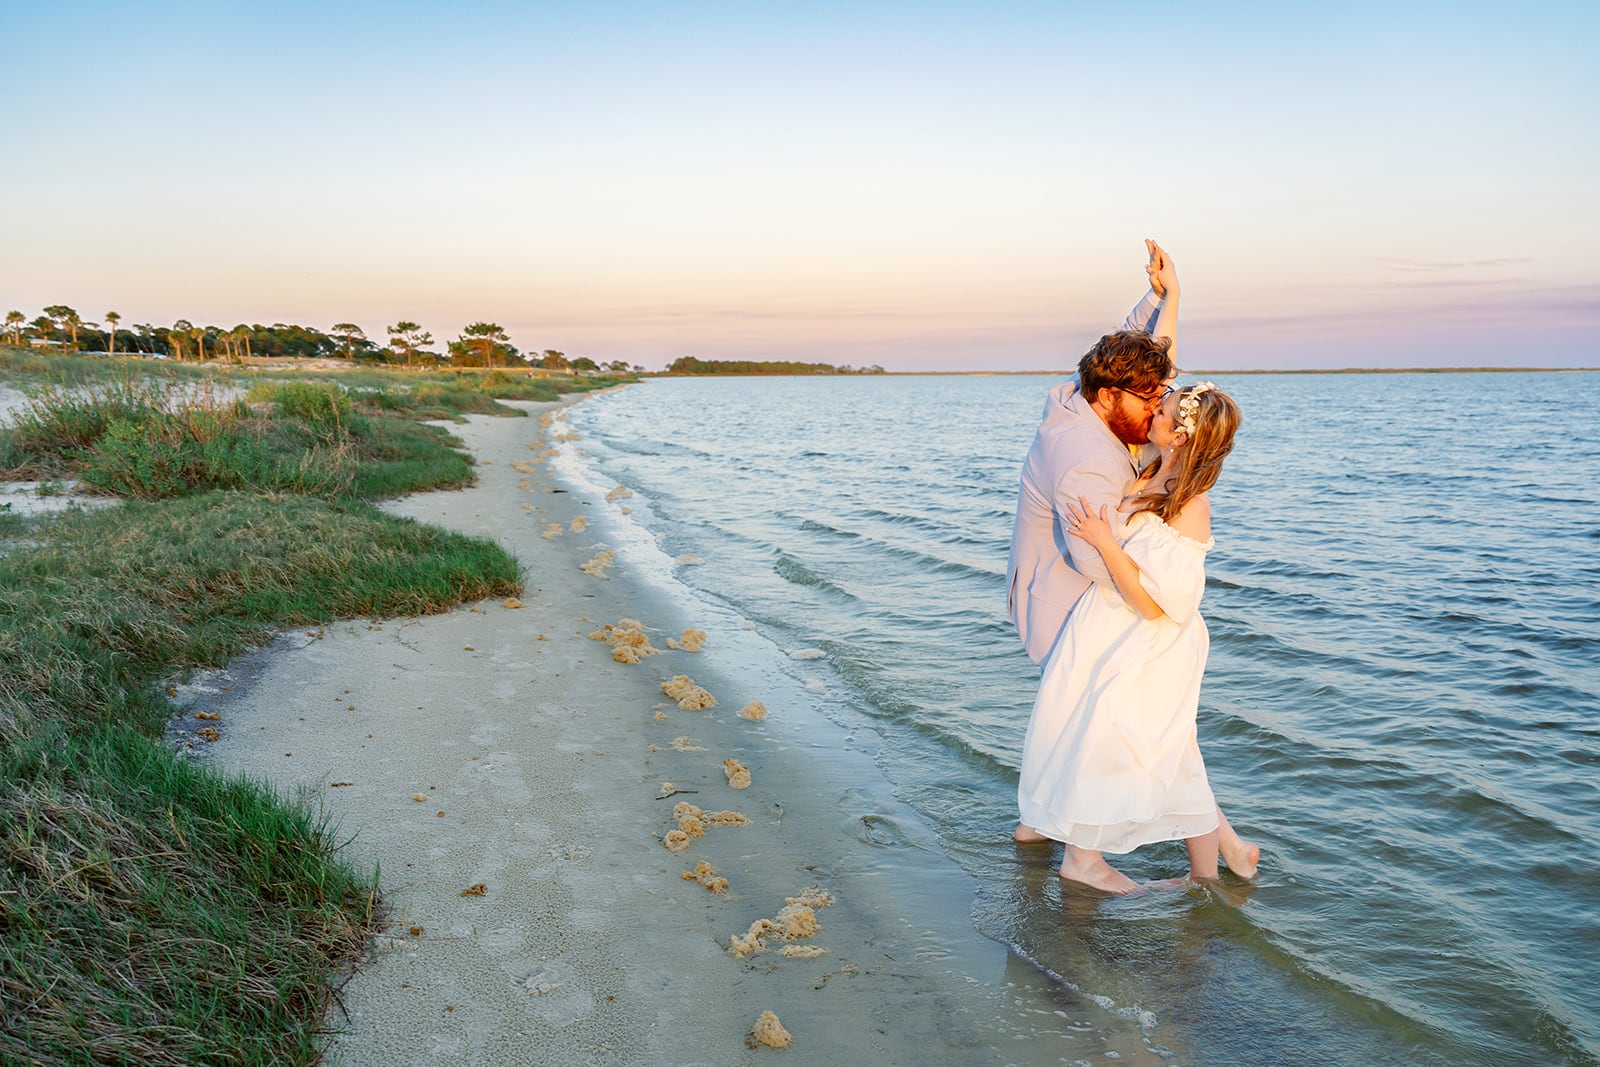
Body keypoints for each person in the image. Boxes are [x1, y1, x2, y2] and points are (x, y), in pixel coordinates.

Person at [1016, 382, 1258, 892]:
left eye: (1163, 412)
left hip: (1152, 641)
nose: (1153, 413)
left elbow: (1155, 604)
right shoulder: (1149, 466)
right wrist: (1168, 299)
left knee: (1130, 744)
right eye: (1156, 403)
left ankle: (1108, 861)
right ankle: (1218, 865)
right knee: (1164, 749)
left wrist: (1106, 543)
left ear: (1180, 436)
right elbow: (1131, 379)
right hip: (1109, 626)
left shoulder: (1191, 506)